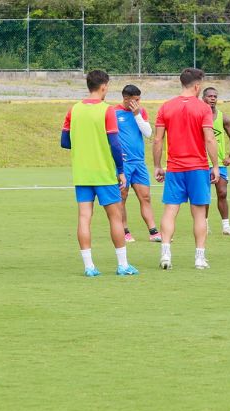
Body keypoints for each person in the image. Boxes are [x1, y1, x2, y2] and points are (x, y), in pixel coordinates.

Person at [61, 69, 138, 277]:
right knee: (115, 217)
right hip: (104, 172)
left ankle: (89, 267)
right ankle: (122, 265)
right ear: (104, 86)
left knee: (84, 217)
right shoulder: (107, 110)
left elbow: (64, 142)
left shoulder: (74, 110)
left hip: (82, 173)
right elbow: (115, 143)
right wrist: (120, 170)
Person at [153, 68, 219, 270]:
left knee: (170, 211)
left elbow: (157, 139)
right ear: (197, 86)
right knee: (199, 214)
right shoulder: (203, 109)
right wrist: (215, 165)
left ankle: (165, 254)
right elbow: (209, 138)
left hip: (174, 168)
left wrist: (157, 165)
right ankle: (199, 258)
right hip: (198, 168)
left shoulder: (166, 107)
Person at [114, 84, 161, 243]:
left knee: (145, 197)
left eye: (139, 100)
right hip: (123, 163)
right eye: (135, 100)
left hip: (139, 163)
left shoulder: (140, 112)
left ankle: (153, 231)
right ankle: (124, 231)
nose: (138, 103)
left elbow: (148, 133)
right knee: (122, 196)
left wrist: (136, 114)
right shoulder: (114, 112)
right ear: (126, 99)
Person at [202, 87, 230, 236]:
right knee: (203, 195)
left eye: (215, 96)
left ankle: (226, 226)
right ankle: (203, 224)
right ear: (203, 98)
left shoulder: (223, 117)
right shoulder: (197, 116)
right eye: (209, 96)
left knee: (222, 193)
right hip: (202, 163)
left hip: (220, 164)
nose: (212, 98)